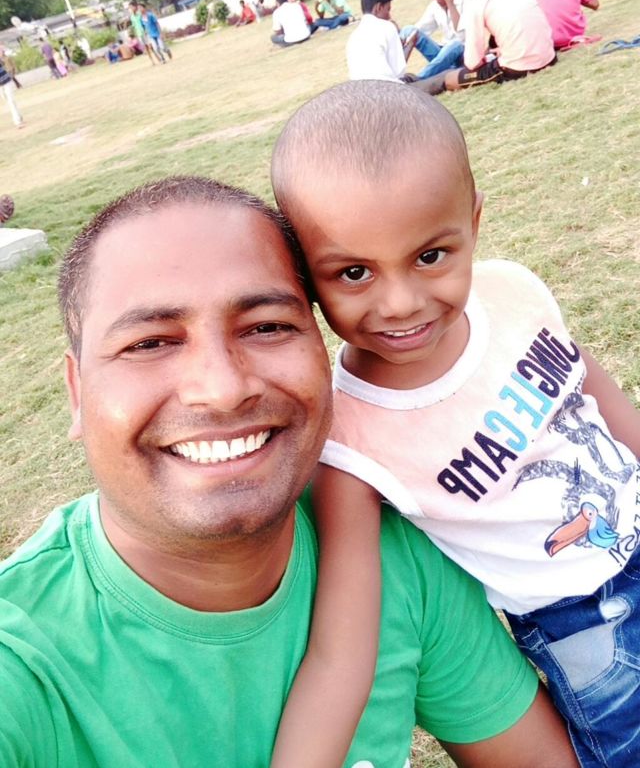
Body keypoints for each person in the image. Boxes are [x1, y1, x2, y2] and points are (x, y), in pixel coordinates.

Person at [0, 175, 579, 768]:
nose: (223, 389)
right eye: (150, 343)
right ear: (77, 392)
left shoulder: (390, 553)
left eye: (267, 326)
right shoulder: (20, 666)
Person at [270, 80, 640, 768]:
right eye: (353, 272)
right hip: (592, 627)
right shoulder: (349, 439)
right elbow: (343, 644)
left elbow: (589, 390)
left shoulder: (511, 290)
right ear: (306, 277)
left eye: (430, 256)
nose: (400, 302)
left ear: (472, 220)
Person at [443, 0, 556, 90]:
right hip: (549, 56)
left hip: (517, 67)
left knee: (450, 79)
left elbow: (472, 62)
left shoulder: (478, 1)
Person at [346, 0, 446, 94]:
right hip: (389, 93)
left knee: (411, 77)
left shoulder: (353, 37)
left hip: (362, 94)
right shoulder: (387, 27)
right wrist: (410, 45)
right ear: (379, 7)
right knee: (444, 77)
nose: (389, 16)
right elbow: (398, 73)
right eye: (388, 10)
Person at [399, 0, 472, 79]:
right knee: (408, 30)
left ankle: (418, 80)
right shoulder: (435, 6)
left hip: (464, 56)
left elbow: (462, 36)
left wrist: (449, 1)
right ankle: (393, 75)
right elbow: (420, 29)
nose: (438, 0)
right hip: (444, 55)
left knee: (455, 45)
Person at [0, 59, 24, 128]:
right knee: (8, 101)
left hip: (6, 82)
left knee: (11, 101)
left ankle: (17, 121)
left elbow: (2, 63)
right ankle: (19, 116)